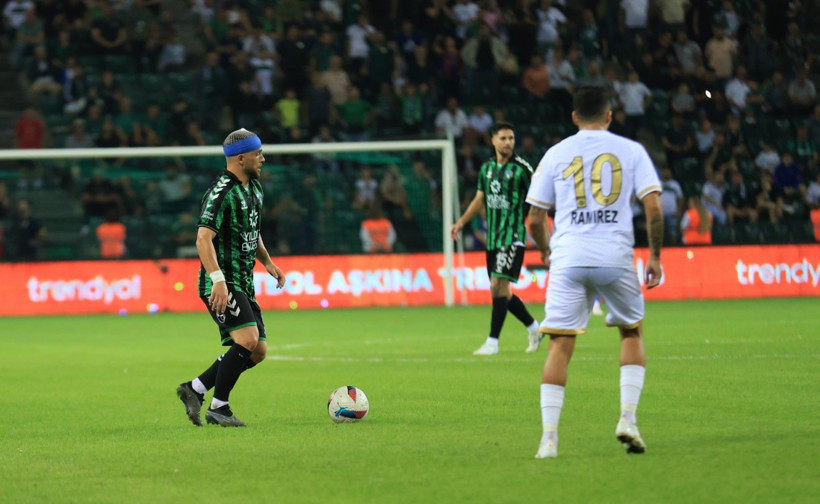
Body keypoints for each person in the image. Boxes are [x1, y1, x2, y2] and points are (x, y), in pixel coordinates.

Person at [526, 86, 663, 458]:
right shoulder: (632, 150)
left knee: (559, 345)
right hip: (614, 256)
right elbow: (653, 208)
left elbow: (535, 218)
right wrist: (654, 257)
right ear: (609, 115)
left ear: (574, 117)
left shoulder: (555, 153)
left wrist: (545, 250)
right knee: (631, 330)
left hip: (568, 258)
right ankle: (627, 419)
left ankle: (548, 440)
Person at [176, 128, 285, 428]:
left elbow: (252, 230)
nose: (262, 158)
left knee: (258, 351)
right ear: (240, 159)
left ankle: (195, 389)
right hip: (222, 282)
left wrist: (268, 262)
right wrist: (218, 280)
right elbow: (202, 239)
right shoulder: (221, 192)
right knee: (248, 339)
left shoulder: (255, 188)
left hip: (243, 281)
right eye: (257, 154)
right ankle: (219, 408)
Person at [450, 122, 542, 355]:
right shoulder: (487, 169)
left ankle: (492, 342)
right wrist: (461, 222)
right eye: (503, 138)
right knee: (502, 292)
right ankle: (534, 327)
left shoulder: (522, 169)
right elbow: (479, 200)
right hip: (493, 239)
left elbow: (539, 199)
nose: (508, 142)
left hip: (512, 236)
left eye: (511, 138)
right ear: (492, 141)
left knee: (496, 285)